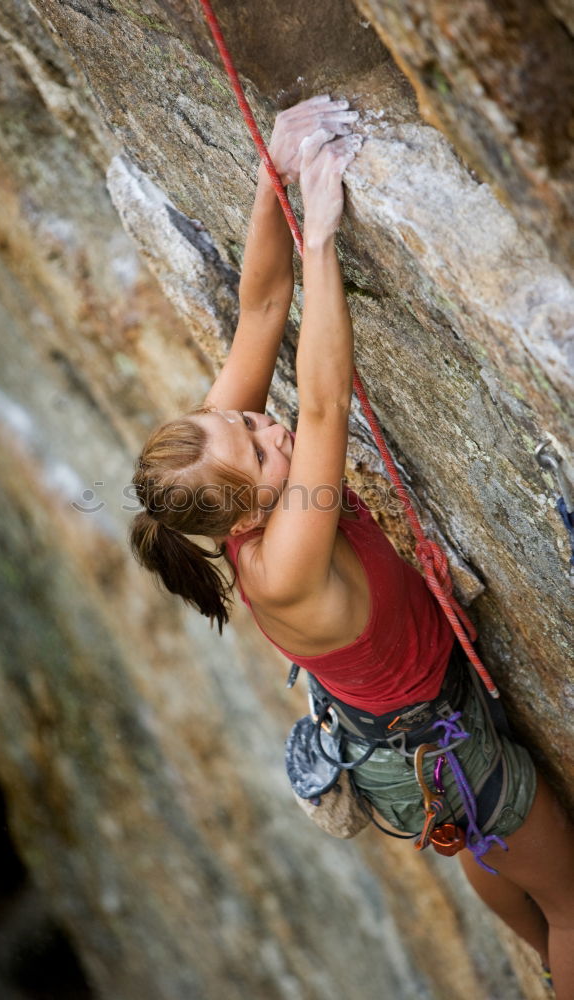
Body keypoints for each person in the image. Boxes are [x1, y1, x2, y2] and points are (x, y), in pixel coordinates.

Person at [131, 96, 574, 993]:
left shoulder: (225, 486)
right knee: (573, 902)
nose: (265, 424)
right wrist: (323, 237)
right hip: (435, 749)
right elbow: (327, 404)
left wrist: (272, 178)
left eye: (243, 417)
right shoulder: (287, 556)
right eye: (257, 449)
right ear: (245, 518)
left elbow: (259, 314)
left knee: (490, 849)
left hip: (415, 744)